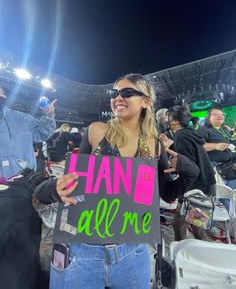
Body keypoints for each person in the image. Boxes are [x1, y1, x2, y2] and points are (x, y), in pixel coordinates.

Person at [34, 74, 199, 289]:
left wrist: (189, 170)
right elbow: (72, 183)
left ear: (145, 101)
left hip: (132, 252)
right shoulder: (96, 131)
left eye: (127, 92)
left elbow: (165, 194)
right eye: (115, 93)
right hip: (82, 251)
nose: (118, 98)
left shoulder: (154, 146)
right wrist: (56, 188)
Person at [167, 105, 216, 241]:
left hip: (195, 187)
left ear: (175, 121)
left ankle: (184, 254)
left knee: (191, 226)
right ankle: (188, 252)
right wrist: (170, 146)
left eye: (168, 118)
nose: (167, 120)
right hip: (206, 183)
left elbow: (189, 166)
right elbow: (190, 155)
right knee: (189, 224)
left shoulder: (180, 135)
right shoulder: (190, 132)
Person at [0, 86, 56, 180]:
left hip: (24, 177)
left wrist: (48, 117)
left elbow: (41, 134)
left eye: (1, 91)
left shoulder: (21, 118)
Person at [197, 107, 236, 209]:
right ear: (208, 117)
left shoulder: (226, 129)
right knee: (215, 198)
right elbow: (199, 147)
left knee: (231, 197)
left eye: (222, 115)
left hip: (230, 168)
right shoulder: (203, 130)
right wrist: (215, 146)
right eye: (216, 114)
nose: (220, 116)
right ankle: (213, 223)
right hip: (215, 168)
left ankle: (228, 222)